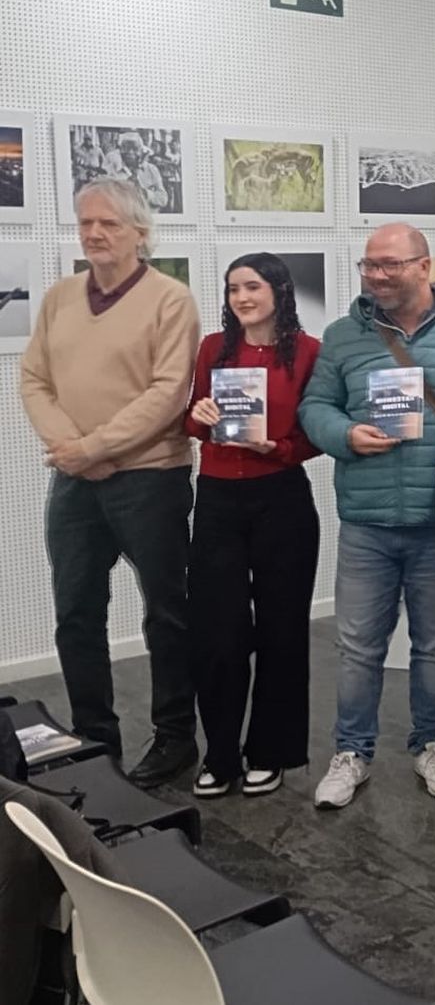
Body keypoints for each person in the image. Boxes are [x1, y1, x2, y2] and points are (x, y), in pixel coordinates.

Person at [299, 223, 435, 810]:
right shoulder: (342, 335)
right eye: (369, 265)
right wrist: (345, 434)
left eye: (390, 264)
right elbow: (315, 405)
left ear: (423, 266)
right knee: (358, 647)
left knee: (434, 646)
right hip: (367, 521)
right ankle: (351, 752)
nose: (377, 276)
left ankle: (431, 744)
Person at [20, 177, 200, 787]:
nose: (94, 234)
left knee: (167, 614)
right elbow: (34, 380)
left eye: (109, 224)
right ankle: (94, 738)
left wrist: (94, 448)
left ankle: (176, 738)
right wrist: (73, 452)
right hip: (75, 483)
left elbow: (168, 392)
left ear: (140, 234)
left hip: (151, 478)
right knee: (75, 613)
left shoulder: (170, 300)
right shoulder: (60, 298)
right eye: (86, 223)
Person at [183, 253, 322, 798]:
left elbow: (316, 433)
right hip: (218, 499)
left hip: (281, 497)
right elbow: (191, 418)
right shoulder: (212, 348)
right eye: (233, 288)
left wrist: (278, 448)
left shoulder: (309, 352)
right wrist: (200, 418)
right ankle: (219, 753)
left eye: (252, 287)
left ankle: (270, 750)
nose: (241, 297)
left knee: (282, 630)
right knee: (218, 632)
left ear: (279, 291)